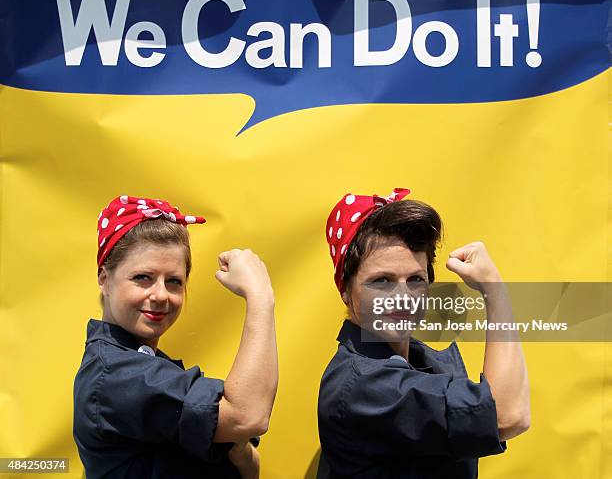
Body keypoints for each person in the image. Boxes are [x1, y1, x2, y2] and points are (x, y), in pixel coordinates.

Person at [317, 188, 530, 478]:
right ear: (345, 289)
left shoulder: (420, 360)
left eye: (416, 279)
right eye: (382, 281)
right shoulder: (364, 386)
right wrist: (494, 291)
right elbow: (507, 415)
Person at [73, 195, 278, 478]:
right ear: (104, 279)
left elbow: (247, 460)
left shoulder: (147, 365)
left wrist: (235, 438)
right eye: (143, 277)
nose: (160, 295)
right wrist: (260, 296)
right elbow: (248, 416)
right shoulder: (118, 376)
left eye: (174, 281)